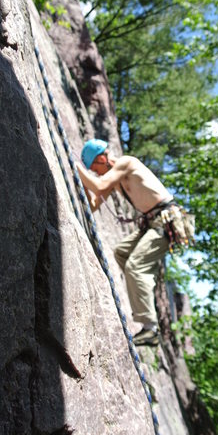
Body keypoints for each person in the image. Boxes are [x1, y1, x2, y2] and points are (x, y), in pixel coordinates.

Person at [76, 138, 174, 347]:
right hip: (152, 223)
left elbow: (100, 184)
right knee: (122, 252)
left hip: (165, 220)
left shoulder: (126, 163)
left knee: (135, 266)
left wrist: (76, 168)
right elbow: (93, 205)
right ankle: (142, 279)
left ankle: (150, 330)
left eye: (96, 168)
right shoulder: (115, 178)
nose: (97, 173)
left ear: (103, 158)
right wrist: (82, 182)